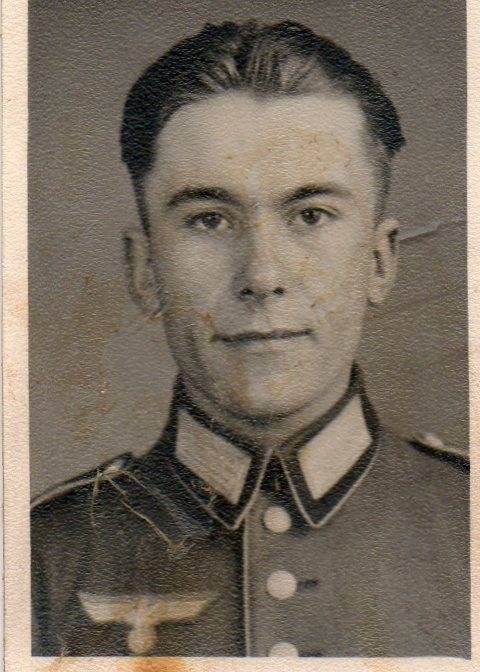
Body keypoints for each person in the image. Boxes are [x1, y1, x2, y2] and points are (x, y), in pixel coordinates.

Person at [31, 21, 469, 658]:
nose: (262, 276)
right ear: (145, 270)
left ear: (379, 261)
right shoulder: (38, 556)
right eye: (209, 220)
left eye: (310, 215)